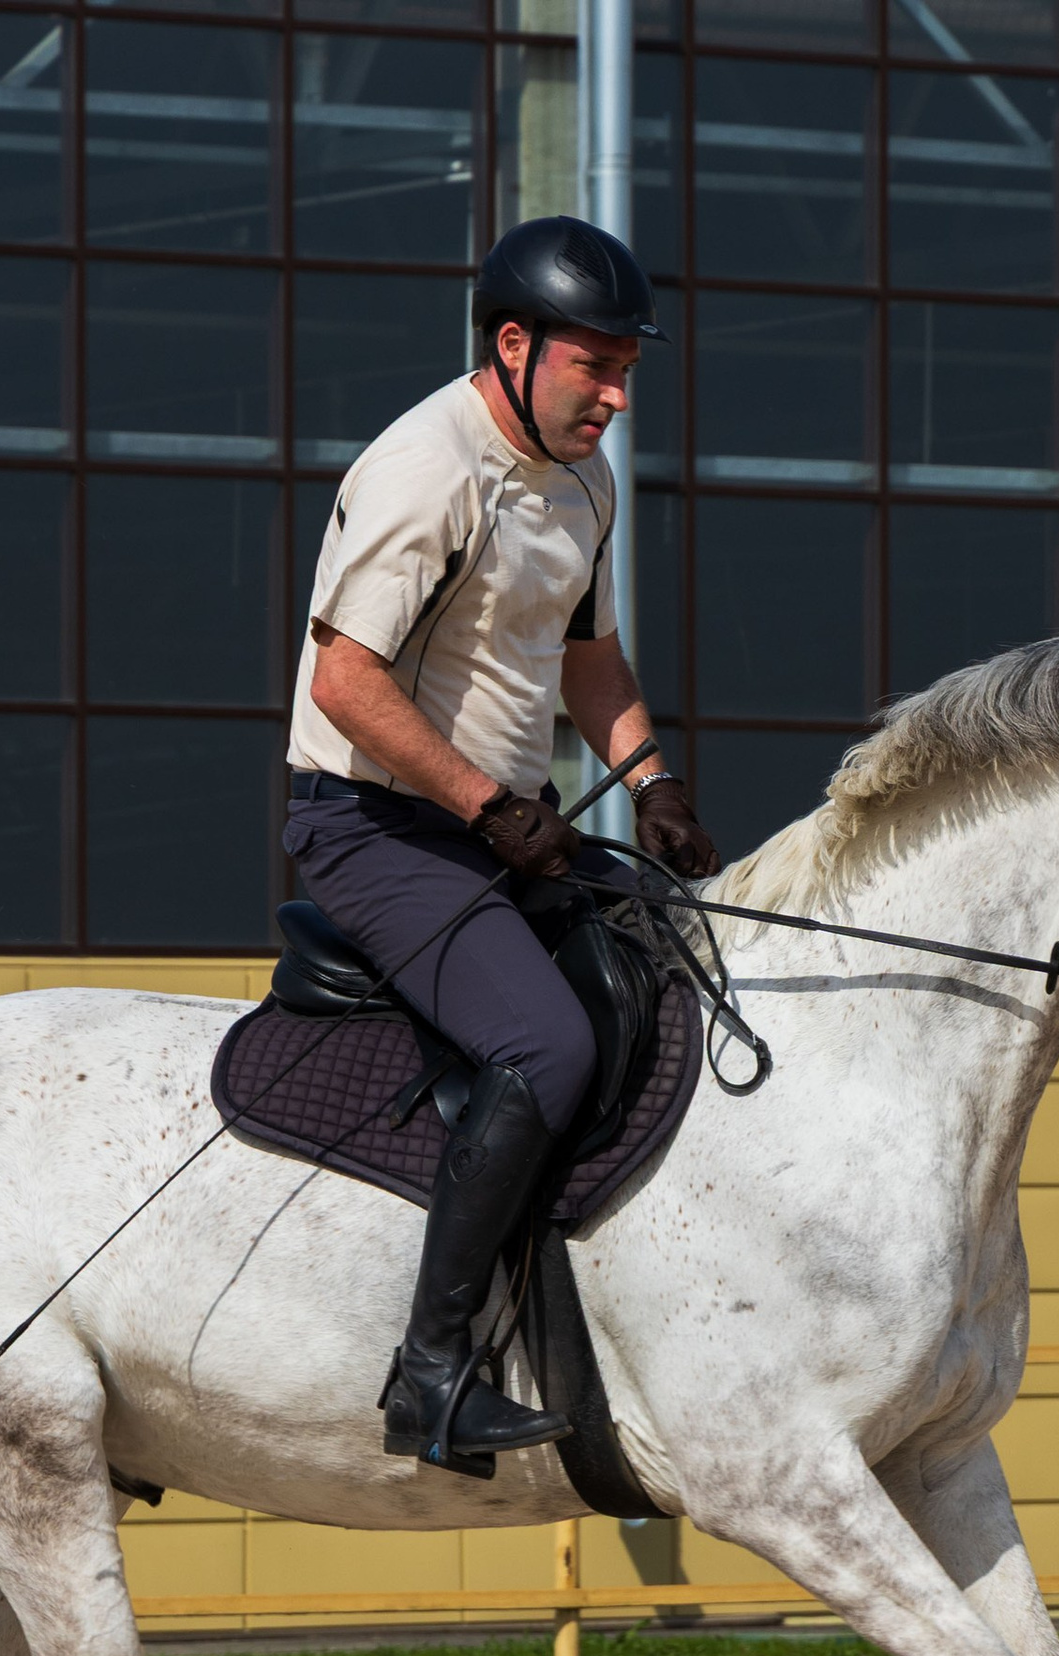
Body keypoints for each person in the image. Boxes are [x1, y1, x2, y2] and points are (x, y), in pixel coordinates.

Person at [284, 216, 720, 1479]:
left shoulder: (585, 477)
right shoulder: (428, 468)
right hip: (373, 824)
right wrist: (488, 804)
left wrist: (652, 778)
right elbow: (348, 681)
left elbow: (586, 655)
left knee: (677, 957)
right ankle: (430, 1374)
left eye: (629, 366)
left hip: (493, 823)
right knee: (547, 1042)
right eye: (599, 366)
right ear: (515, 345)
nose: (620, 396)